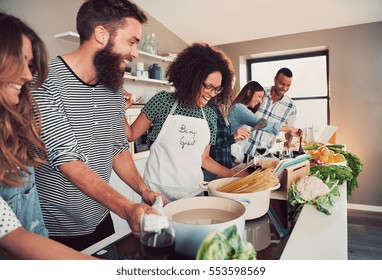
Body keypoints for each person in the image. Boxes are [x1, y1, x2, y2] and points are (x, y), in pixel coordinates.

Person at [31, 0, 164, 257]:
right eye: (131, 41)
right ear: (101, 34)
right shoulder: (45, 82)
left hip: (102, 218)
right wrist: (126, 207)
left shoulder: (112, 88)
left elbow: (117, 148)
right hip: (55, 230)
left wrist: (143, 189)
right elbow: (67, 159)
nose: (135, 53)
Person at [0, 12, 96, 259]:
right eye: (19, 60)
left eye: (29, 64)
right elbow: (11, 235)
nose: (27, 75)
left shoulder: (11, 133)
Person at [125, 43, 246, 201]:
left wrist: (234, 174)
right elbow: (131, 135)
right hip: (156, 194)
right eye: (208, 86)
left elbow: (205, 159)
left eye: (217, 89)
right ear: (192, 79)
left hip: (192, 194)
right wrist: (121, 110)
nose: (212, 94)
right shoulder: (162, 102)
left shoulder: (209, 114)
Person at [230, 80, 300, 162]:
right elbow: (261, 123)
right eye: (259, 96)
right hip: (233, 154)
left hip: (240, 154)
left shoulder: (241, 108)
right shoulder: (239, 108)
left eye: (262, 97)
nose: (260, 101)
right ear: (249, 93)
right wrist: (289, 129)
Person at [242, 68, 302, 159]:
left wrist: (290, 139)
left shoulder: (290, 107)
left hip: (262, 156)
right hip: (240, 150)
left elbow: (289, 131)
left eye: (288, 85)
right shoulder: (259, 94)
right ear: (275, 79)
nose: (284, 88)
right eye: (281, 83)